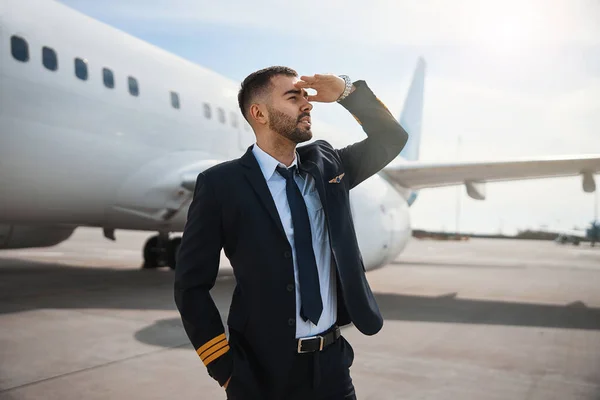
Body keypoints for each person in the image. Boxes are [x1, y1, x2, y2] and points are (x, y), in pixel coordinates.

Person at [174, 66, 408, 400]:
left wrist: (346, 92)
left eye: (305, 96)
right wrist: (225, 370)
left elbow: (391, 137)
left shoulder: (329, 168)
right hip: (260, 375)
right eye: (292, 96)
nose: (307, 104)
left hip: (332, 368)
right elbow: (190, 286)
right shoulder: (220, 186)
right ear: (259, 113)